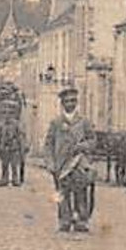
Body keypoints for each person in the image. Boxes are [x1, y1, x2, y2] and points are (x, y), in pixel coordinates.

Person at [45, 87, 96, 233]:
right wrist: (50, 163)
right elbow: (48, 144)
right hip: (61, 164)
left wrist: (83, 145)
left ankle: (82, 220)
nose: (70, 104)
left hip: (79, 162)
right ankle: (64, 220)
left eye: (73, 100)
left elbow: (92, 140)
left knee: (81, 192)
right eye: (67, 101)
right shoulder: (56, 122)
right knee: (61, 193)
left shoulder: (84, 121)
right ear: (62, 103)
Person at [0, 95, 26, 187]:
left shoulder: (17, 124)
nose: (8, 115)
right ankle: (4, 179)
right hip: (4, 146)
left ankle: (15, 180)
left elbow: (20, 136)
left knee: (14, 165)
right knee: (4, 165)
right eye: (5, 113)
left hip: (14, 146)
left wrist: (22, 147)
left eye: (10, 113)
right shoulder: (1, 124)